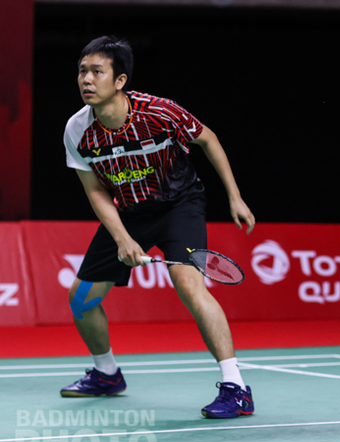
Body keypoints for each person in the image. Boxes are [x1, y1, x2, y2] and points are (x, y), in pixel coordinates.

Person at [62, 36, 256, 419]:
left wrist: (234, 196)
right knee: (81, 299)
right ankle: (107, 375)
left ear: (119, 81)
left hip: (178, 205)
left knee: (188, 284)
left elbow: (208, 139)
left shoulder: (160, 112)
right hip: (130, 212)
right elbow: (96, 191)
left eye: (97, 72)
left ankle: (236, 387)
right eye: (82, 71)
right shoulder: (77, 130)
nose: (86, 79)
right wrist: (122, 239)